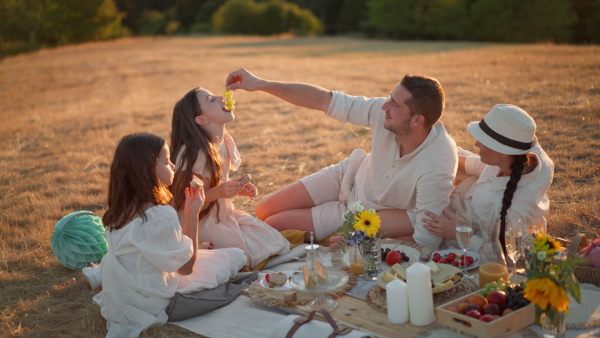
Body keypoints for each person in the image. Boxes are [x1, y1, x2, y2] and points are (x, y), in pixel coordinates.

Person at [225, 68, 458, 249]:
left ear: (417, 120)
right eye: (389, 98)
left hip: (363, 215)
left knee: (273, 223)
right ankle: (325, 237)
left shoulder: (437, 164)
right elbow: (324, 100)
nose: (384, 106)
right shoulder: (385, 112)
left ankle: (328, 238)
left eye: (394, 105)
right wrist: (260, 84)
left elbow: (426, 241)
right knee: (264, 209)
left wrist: (361, 242)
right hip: (348, 175)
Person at [93, 133, 247, 338]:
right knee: (237, 256)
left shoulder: (120, 210)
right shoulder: (158, 214)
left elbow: (149, 249)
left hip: (130, 290)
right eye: (166, 161)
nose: (173, 165)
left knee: (215, 257)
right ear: (149, 170)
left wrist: (190, 246)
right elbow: (185, 268)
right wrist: (192, 212)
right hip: (156, 296)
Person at [170, 87, 290, 269]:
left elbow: (215, 185)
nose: (220, 97)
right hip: (196, 222)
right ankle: (200, 249)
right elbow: (183, 201)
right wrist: (219, 192)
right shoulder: (194, 154)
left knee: (273, 240)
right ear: (202, 119)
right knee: (241, 255)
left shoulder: (223, 141)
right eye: (211, 99)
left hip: (220, 213)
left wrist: (234, 189)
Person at [423, 104, 554, 253]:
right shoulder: (518, 153)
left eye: (483, 141)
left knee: (422, 229)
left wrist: (459, 234)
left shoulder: (516, 209)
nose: (476, 144)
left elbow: (505, 251)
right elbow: (482, 167)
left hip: (474, 235)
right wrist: (445, 155)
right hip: (465, 200)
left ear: (503, 153)